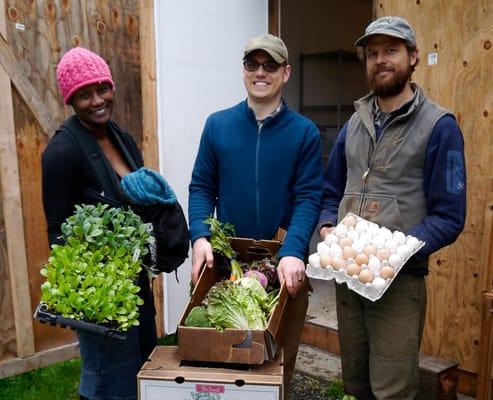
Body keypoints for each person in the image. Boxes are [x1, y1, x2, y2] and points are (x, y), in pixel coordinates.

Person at [318, 16, 466, 399]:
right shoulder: (354, 123)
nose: (381, 60)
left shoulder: (439, 126)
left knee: (393, 390)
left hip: (398, 286)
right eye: (373, 53)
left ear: (413, 56)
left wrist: (393, 252)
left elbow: (449, 217)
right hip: (349, 280)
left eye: (391, 50)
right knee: (356, 382)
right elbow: (329, 191)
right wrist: (327, 226)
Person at [188, 33, 323, 395]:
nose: (260, 72)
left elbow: (309, 197)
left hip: (282, 264)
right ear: (244, 70)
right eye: (253, 64)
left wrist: (295, 250)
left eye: (270, 65)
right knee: (223, 361)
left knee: (279, 361)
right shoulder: (218, 125)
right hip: (228, 264)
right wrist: (200, 236)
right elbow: (201, 187)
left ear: (286, 72)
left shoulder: (304, 132)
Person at [42, 47, 159, 400]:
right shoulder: (62, 152)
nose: (97, 101)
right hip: (101, 295)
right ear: (71, 99)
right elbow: (57, 232)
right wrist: (90, 296)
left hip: (134, 283)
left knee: (141, 367)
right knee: (107, 379)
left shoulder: (120, 137)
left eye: (102, 89)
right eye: (84, 94)